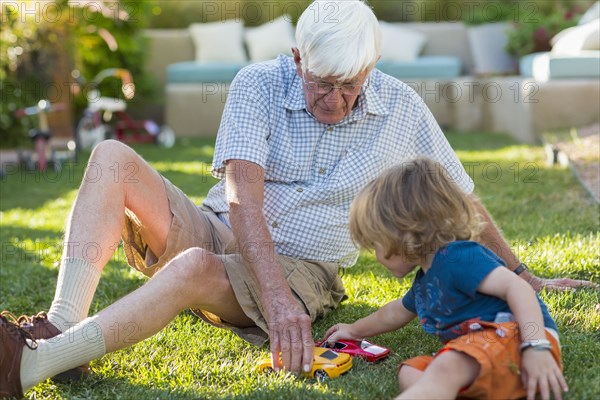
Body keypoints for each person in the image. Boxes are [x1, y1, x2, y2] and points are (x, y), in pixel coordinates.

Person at [0, 1, 589, 398]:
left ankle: (31, 368)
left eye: (350, 86)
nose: (335, 101)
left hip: (305, 265)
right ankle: (57, 331)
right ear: (298, 59)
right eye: (322, 85)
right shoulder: (258, 83)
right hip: (218, 225)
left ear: (372, 67)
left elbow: (464, 198)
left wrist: (522, 276)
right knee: (110, 159)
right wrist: (274, 304)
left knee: (197, 269)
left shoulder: (401, 105)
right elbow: (242, 200)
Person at [324, 157, 568, 400]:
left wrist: (536, 347)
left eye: (376, 244)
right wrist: (353, 330)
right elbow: (394, 313)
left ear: (406, 231)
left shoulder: (458, 257)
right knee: (411, 372)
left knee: (446, 366)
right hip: (482, 353)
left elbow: (519, 289)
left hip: (519, 339)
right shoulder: (424, 281)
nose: (376, 256)